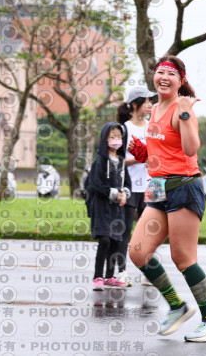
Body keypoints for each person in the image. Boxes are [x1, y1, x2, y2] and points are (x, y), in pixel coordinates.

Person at [127, 55, 206, 342]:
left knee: (183, 257)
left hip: (184, 186)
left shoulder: (182, 109)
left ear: (181, 81)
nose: (164, 77)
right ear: (154, 77)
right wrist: (145, 154)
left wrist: (184, 114)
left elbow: (191, 148)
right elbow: (164, 150)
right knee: (138, 252)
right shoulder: (155, 109)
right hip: (158, 187)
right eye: (160, 72)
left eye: (171, 74)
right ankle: (176, 305)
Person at [115, 87, 156, 287]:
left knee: (148, 232)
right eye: (145, 101)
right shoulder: (123, 129)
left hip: (150, 187)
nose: (150, 105)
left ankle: (148, 272)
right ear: (134, 104)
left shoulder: (153, 128)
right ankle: (122, 272)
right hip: (128, 187)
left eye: (150, 101)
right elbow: (116, 160)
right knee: (125, 231)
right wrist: (139, 159)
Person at [86, 122, 132, 291]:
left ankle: (110, 277)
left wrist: (125, 194)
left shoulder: (122, 162)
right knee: (104, 240)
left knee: (115, 242)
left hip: (117, 209)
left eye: (119, 137)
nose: (116, 140)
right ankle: (98, 277)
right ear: (105, 139)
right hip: (102, 207)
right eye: (112, 137)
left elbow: (128, 183)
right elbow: (95, 184)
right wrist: (113, 193)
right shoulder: (99, 162)